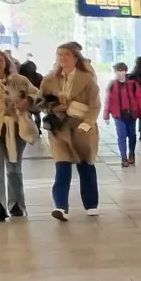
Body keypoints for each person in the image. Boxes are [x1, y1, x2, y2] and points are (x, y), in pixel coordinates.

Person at [41, 42, 101, 220]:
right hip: (59, 128)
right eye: (59, 54)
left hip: (82, 127)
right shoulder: (50, 79)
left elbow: (95, 105)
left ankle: (91, 204)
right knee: (62, 165)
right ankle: (60, 206)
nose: (62, 58)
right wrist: (53, 108)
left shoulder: (87, 79)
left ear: (75, 57)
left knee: (86, 164)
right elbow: (41, 101)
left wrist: (86, 125)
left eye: (66, 54)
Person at [0, 47, 35, 221]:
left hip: (16, 129)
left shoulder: (18, 81)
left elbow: (37, 94)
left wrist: (27, 101)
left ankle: (17, 205)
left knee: (14, 167)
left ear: (5, 62)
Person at [103, 63, 141, 168]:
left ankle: (131, 153)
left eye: (121, 71)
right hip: (118, 115)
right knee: (121, 136)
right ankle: (123, 158)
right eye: (117, 71)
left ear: (125, 72)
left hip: (131, 115)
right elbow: (108, 100)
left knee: (132, 136)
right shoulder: (112, 85)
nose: (119, 73)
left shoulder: (133, 84)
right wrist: (106, 115)